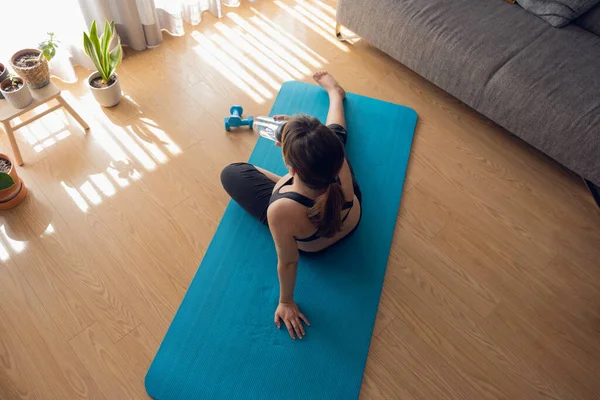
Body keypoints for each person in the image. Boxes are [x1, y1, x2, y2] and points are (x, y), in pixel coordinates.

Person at [220, 71, 362, 340]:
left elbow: (288, 262)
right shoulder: (336, 155)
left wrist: (286, 302)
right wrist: (305, 139)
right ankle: (335, 94)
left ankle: (334, 95)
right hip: (352, 211)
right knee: (334, 135)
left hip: (313, 240)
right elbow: (329, 137)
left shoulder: (282, 210)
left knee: (232, 173)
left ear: (292, 168)